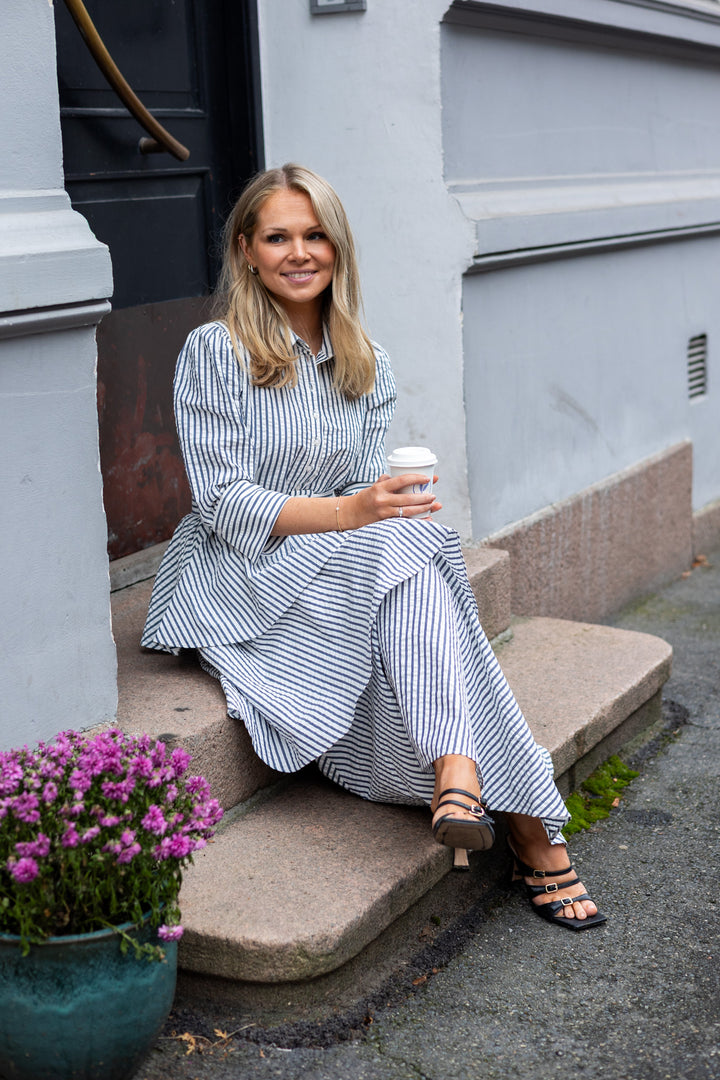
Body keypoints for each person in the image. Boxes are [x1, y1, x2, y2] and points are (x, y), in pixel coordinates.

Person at [142, 164, 605, 930]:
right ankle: (522, 823)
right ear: (247, 252)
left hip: (337, 556)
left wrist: (379, 510)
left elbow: (369, 500)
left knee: (414, 547)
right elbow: (221, 502)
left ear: (338, 247)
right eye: (278, 237)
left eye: (315, 234)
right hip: (240, 569)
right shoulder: (214, 350)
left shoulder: (368, 361)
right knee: (415, 561)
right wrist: (356, 511)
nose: (299, 252)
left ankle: (461, 776)